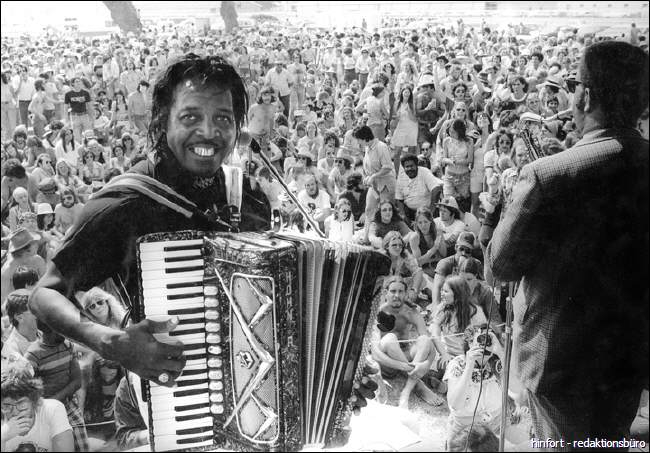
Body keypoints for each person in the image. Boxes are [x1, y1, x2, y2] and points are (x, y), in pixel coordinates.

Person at [487, 41, 649, 446]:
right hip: (629, 357)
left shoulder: (547, 175)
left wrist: (508, 204)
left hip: (559, 363)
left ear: (586, 96)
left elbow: (500, 265)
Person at [371, 275, 441, 409]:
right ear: (385, 293)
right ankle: (419, 385)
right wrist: (406, 367)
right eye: (393, 291)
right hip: (387, 364)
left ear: (406, 293)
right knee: (390, 338)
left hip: (407, 358)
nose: (397, 295)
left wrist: (426, 364)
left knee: (424, 339)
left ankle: (406, 392)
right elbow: (375, 354)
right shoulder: (378, 313)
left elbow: (429, 346)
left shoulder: (411, 312)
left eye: (400, 291)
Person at [24, 322, 88, 452]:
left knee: (83, 448)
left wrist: (56, 401)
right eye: (59, 329)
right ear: (47, 330)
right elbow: (28, 392)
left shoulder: (67, 345)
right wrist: (52, 406)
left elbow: (77, 381)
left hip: (69, 407)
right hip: (46, 411)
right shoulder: (32, 355)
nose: (64, 332)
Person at [444, 325, 505, 451]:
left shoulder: (499, 362)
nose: (484, 344)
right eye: (480, 340)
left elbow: (517, 388)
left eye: (488, 339)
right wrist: (469, 366)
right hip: (464, 431)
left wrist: (500, 352)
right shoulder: (458, 364)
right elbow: (455, 404)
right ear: (470, 343)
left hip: (496, 425)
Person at [0, 360, 74, 452]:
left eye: (21, 403)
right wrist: (3, 436)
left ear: (34, 400)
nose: (15, 412)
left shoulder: (52, 409)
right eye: (7, 405)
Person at [395, 153, 442, 223]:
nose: (409, 169)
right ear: (403, 167)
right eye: (407, 167)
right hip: (410, 212)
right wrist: (403, 215)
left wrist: (431, 212)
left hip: (427, 210)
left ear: (416, 165)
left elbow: (436, 189)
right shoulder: (401, 177)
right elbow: (399, 199)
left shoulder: (424, 172)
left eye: (411, 166)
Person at [1, 289, 39, 368]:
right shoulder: (12, 351)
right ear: (19, 317)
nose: (40, 313)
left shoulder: (48, 334)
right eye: (34, 310)